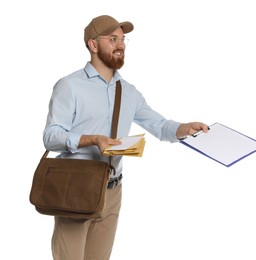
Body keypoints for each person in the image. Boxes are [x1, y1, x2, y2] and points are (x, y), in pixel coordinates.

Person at [43, 14, 209, 260]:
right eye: (112, 38)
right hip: (76, 187)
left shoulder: (129, 92)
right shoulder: (70, 86)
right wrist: (93, 139)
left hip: (112, 189)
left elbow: (160, 126)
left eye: (122, 39)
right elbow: (51, 136)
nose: (120, 44)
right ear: (93, 44)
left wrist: (185, 127)